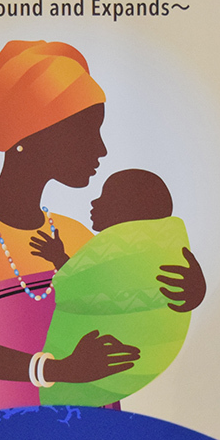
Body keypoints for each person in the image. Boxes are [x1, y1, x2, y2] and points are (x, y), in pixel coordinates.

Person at [0, 40, 205, 418]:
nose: (102, 149)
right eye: (86, 131)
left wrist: (183, 293)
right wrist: (58, 370)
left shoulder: (78, 236)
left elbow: (125, 303)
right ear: (32, 136)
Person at [32, 169, 194, 406]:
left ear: (131, 209)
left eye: (106, 197)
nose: (94, 202)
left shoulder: (129, 254)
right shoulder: (114, 254)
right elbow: (94, 287)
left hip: (101, 373)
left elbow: (78, 290)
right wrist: (60, 259)